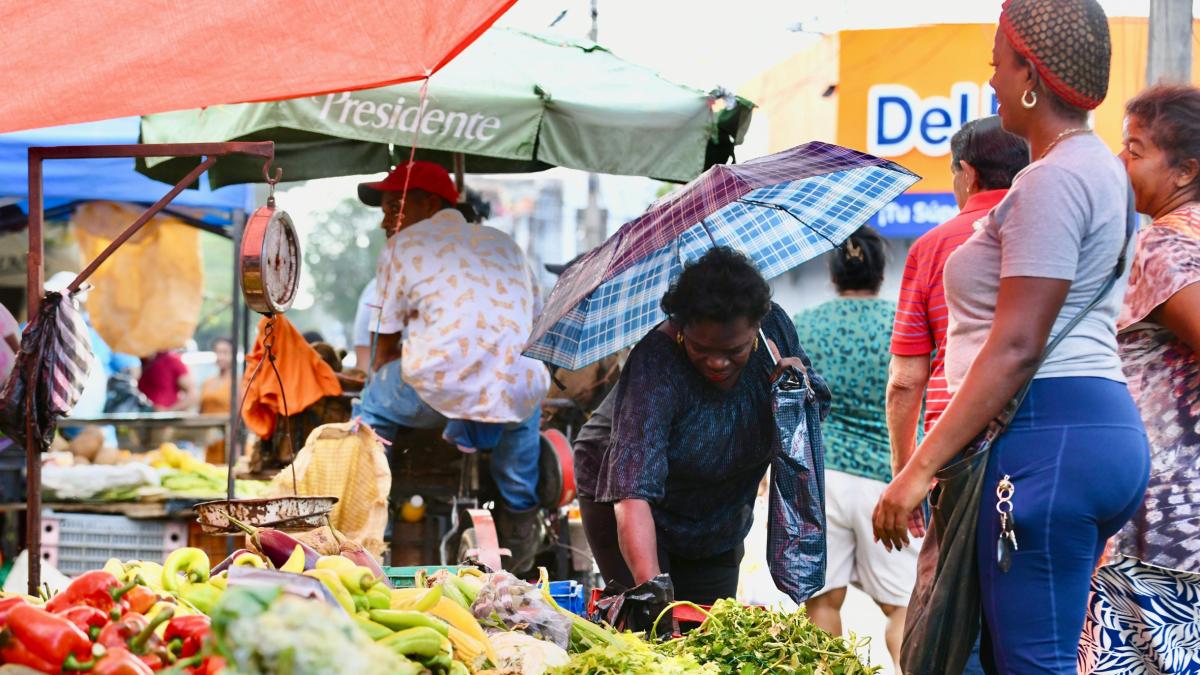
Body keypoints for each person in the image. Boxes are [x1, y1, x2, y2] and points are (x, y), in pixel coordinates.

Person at [872, 1, 1149, 671]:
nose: (990, 77)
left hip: (1047, 435)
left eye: (997, 60)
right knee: (1014, 653)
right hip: (1091, 429)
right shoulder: (1100, 169)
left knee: (1032, 661)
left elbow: (1018, 344)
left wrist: (916, 469)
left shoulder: (1051, 181)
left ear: (1030, 72)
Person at [573, 247, 829, 605]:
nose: (717, 362)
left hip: (720, 510)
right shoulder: (655, 365)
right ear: (680, 328)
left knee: (708, 631)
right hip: (631, 503)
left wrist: (795, 390)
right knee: (649, 627)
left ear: (757, 326)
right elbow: (632, 497)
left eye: (734, 349)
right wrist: (653, 599)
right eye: (700, 347)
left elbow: (812, 417)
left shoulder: (775, 332)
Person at [355, 160, 550, 571]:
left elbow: (383, 346)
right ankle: (521, 522)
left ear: (427, 204)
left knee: (372, 402)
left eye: (393, 208)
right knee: (520, 392)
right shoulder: (504, 243)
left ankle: (371, 528)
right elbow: (531, 327)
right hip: (513, 390)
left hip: (435, 394)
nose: (385, 223)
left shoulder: (401, 247)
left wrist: (395, 374)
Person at [792, 227, 909, 669]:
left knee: (822, 604)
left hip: (821, 479)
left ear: (832, 272)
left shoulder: (804, 326)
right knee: (903, 607)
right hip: (888, 480)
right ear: (881, 272)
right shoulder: (901, 322)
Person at [888, 117, 1029, 467]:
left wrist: (906, 474)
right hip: (1040, 430)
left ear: (967, 173)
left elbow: (906, 380)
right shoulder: (1052, 233)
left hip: (955, 441)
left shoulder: (932, 248)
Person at [1113, 84, 1200, 573]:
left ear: (1185, 171)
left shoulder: (1161, 245)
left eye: (1134, 149)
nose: (1118, 160)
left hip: (1173, 506)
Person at [199, 337, 234, 415]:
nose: (221, 357)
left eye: (225, 352)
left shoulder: (238, 382)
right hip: (206, 424)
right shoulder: (207, 382)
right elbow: (201, 410)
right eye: (218, 352)